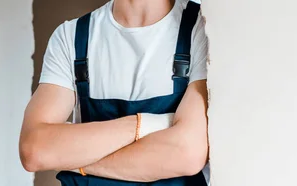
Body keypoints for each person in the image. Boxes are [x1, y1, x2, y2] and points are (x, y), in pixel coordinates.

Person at [19, 0, 209, 185]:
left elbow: (188, 152)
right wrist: (146, 125)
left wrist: (73, 161)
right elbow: (34, 150)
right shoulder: (71, 36)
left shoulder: (201, 28)